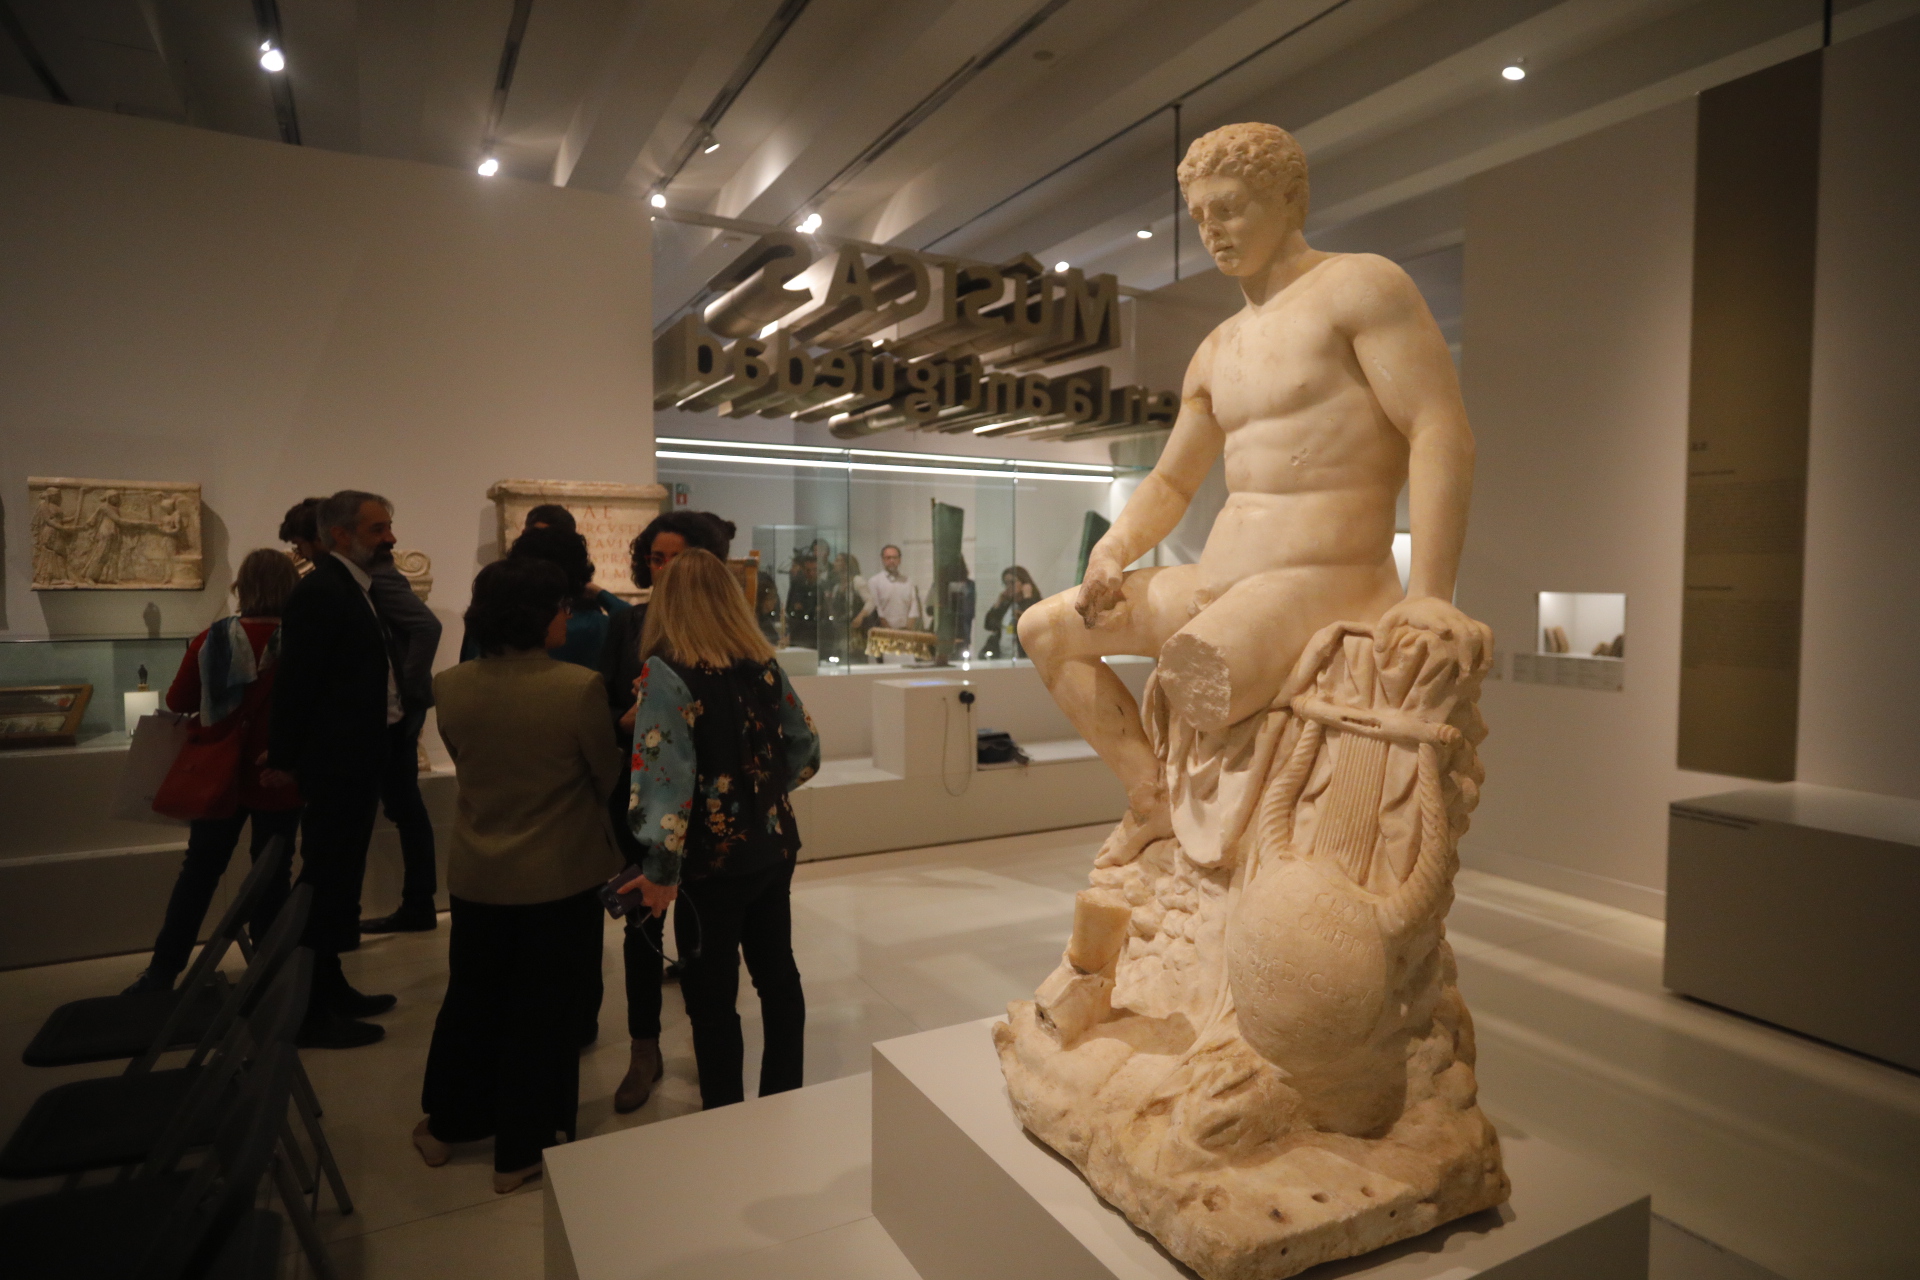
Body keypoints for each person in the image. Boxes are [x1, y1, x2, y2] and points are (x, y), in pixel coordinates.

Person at [1016, 122, 1486, 866]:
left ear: (1290, 200)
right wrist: (1112, 550)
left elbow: (1438, 427)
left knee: (1199, 670)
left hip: (1323, 579)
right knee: (1045, 630)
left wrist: (1430, 594)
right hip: (1223, 581)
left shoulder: (1359, 287)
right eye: (1201, 216)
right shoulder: (1217, 348)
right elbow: (1171, 480)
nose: (1214, 231)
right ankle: (1150, 797)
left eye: (1230, 208)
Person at [414, 557, 621, 1194]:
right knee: (544, 1012)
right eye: (561, 607)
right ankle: (522, 1149)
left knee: (472, 999)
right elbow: (605, 774)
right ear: (537, 615)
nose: (567, 616)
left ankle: (449, 1124)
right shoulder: (579, 688)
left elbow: (468, 759)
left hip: (479, 871)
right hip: (560, 874)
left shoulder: (450, 685)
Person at [618, 549, 820, 1110]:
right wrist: (761, 797)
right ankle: (783, 1100)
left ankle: (726, 1115)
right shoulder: (763, 664)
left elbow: (664, 782)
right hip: (773, 848)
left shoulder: (666, 673)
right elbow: (805, 747)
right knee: (778, 978)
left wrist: (661, 868)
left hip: (710, 865)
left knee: (711, 999)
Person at [597, 509, 733, 1109]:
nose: (666, 569)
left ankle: (712, 1044)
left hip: (710, 806)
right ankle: (643, 1047)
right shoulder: (628, 624)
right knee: (642, 929)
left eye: (677, 558)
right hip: (644, 800)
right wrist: (633, 718)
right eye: (656, 558)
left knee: (705, 931)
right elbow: (603, 711)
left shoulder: (726, 627)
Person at [122, 550, 303, 994]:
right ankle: (266, 973)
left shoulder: (213, 638)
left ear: (243, 586)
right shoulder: (303, 641)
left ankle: (163, 971)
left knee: (199, 873)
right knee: (272, 874)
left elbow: (180, 700)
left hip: (217, 772)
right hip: (277, 771)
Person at [267, 490, 404, 1048]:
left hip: (356, 755)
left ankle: (330, 985)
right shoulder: (322, 591)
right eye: (377, 529)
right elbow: (297, 681)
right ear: (340, 535)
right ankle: (309, 1007)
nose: (390, 537)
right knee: (325, 881)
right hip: (336, 761)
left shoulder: (351, 587)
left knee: (340, 879)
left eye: (388, 526)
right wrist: (284, 757)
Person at [278, 497, 444, 937]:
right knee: (349, 838)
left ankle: (392, 913)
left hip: (379, 724)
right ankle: (338, 939)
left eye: (301, 544)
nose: (390, 538)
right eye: (378, 529)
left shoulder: (361, 581)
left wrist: (404, 690)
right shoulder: (335, 586)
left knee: (374, 822)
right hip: (363, 731)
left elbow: (424, 628)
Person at [858, 543, 923, 633]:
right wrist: (890, 632)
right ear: (883, 559)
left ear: (899, 559)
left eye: (895, 557)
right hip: (883, 632)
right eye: (888, 558)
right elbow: (877, 609)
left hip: (906, 632)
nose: (892, 561)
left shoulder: (908, 581)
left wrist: (908, 630)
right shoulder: (874, 581)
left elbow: (914, 608)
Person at [981, 566, 1040, 659]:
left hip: (1023, 656)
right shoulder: (1006, 605)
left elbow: (1031, 625)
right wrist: (998, 603)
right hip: (1003, 656)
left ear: (1024, 583)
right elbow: (989, 625)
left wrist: (1028, 599)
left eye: (1012, 582)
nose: (1008, 586)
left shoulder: (1035, 604)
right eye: (1006, 583)